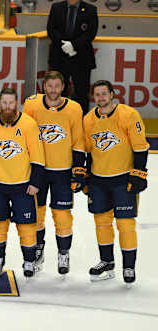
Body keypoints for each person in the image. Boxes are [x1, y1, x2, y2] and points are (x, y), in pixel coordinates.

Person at [83, 80, 149, 285]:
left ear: (112, 95)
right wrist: (85, 175)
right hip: (99, 179)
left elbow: (140, 147)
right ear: (93, 97)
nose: (101, 98)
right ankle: (107, 261)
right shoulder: (88, 119)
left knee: (125, 224)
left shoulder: (129, 115)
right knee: (101, 223)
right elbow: (88, 151)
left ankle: (128, 266)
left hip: (123, 178)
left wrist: (139, 174)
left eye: (104, 94)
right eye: (97, 94)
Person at [22, 71, 85, 276]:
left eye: (57, 86)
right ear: (44, 86)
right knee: (37, 213)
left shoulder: (74, 108)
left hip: (63, 171)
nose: (53, 90)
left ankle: (63, 252)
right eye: (50, 86)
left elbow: (78, 141)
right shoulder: (31, 104)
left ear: (63, 87)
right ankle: (38, 248)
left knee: (62, 215)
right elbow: (25, 137)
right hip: (38, 170)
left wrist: (78, 170)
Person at [0, 88, 45, 279]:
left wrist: (35, 182)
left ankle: (29, 261)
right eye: (4, 103)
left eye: (11, 103)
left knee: (26, 226)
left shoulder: (29, 124)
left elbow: (38, 157)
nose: (8, 107)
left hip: (23, 185)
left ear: (17, 103)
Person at [47, 0, 98, 114]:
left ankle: (81, 122)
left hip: (82, 58)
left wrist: (73, 46)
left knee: (81, 93)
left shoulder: (90, 10)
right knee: (57, 92)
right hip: (59, 58)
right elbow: (51, 30)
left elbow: (90, 33)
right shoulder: (56, 8)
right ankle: (57, 120)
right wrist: (64, 45)